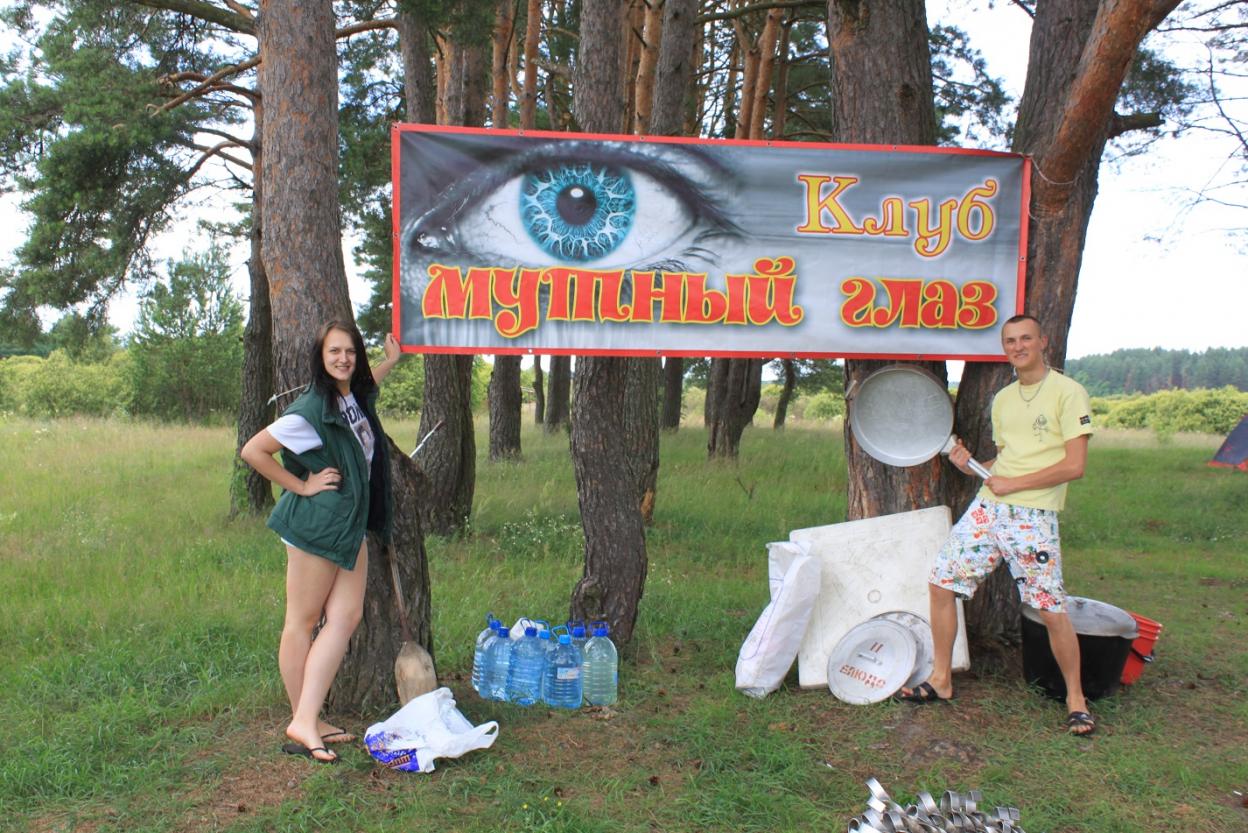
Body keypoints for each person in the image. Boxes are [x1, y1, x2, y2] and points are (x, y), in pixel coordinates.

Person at [897, 314, 1097, 737]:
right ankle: (941, 679)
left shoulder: (1068, 393)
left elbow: (1074, 466)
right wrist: (970, 465)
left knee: (1050, 607)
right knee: (941, 582)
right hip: (989, 508)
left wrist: (1014, 484)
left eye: (1026, 338)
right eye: (1010, 341)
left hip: (1033, 515)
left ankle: (1076, 700)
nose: (1018, 346)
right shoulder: (1004, 399)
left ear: (1043, 342)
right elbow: (1004, 462)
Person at [241, 322, 402, 763]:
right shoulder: (310, 409)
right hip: (317, 525)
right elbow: (253, 451)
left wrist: (389, 362)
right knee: (302, 621)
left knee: (346, 617)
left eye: (350, 351)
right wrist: (302, 485)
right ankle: (304, 720)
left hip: (349, 524)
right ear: (321, 356)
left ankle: (307, 717)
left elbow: (364, 389)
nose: (343, 359)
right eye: (334, 352)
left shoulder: (351, 397)